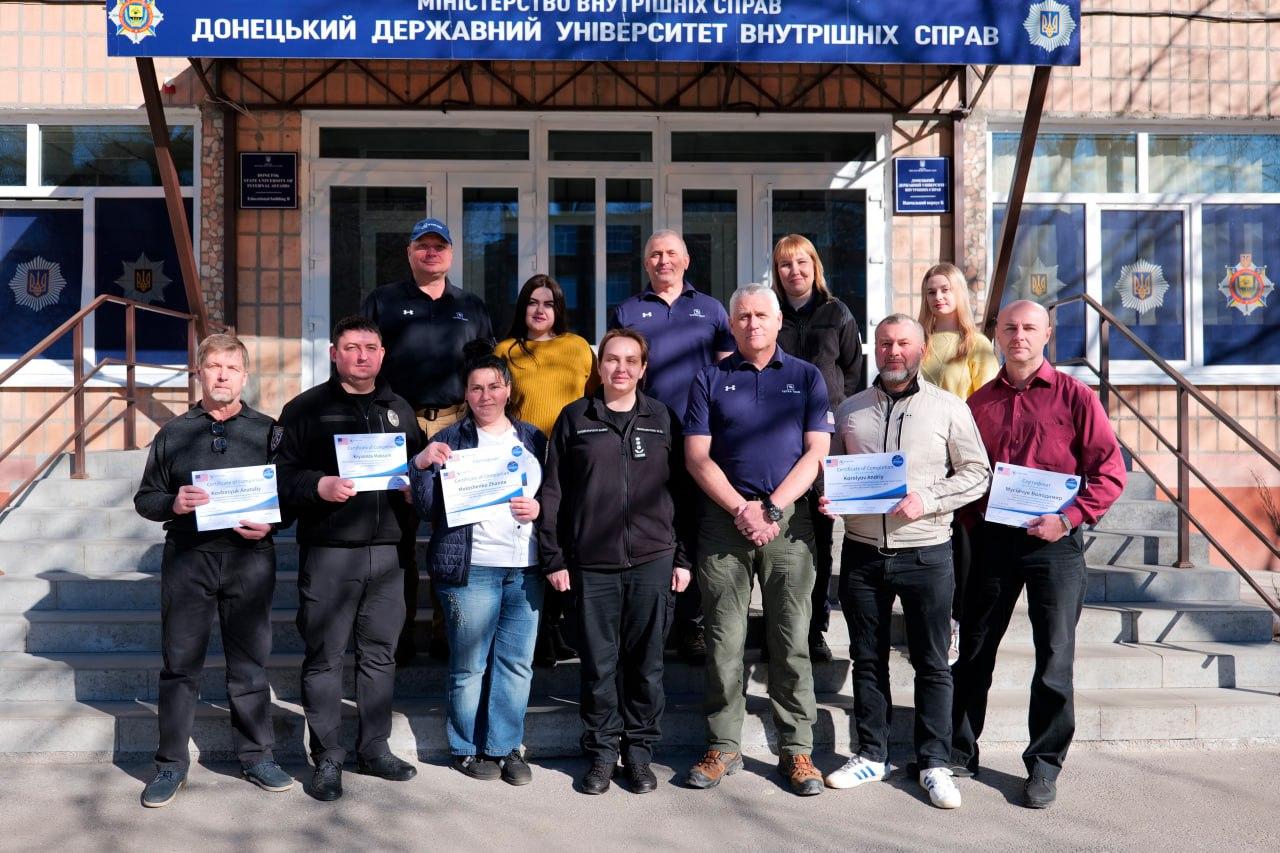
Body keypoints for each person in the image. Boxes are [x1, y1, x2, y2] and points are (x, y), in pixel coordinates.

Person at [950, 300, 1125, 809]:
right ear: (997, 336)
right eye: (1010, 328)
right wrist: (973, 520)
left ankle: (1044, 766)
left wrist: (1068, 519)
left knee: (1054, 657)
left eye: (1029, 327)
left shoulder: (1076, 397)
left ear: (1047, 334)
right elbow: (963, 473)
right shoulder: (978, 404)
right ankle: (959, 750)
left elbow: (1109, 472)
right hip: (993, 543)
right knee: (975, 650)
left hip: (1056, 544)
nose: (1019, 336)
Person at [819, 315, 990, 810]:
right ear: (874, 349)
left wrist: (929, 499)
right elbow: (831, 470)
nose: (894, 352)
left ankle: (934, 762)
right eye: (885, 343)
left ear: (920, 350)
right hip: (862, 552)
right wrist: (830, 497)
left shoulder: (949, 408)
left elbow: (978, 473)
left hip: (927, 551)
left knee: (933, 663)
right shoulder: (850, 410)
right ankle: (872, 754)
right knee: (867, 659)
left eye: (903, 344)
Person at [682, 283, 833, 797]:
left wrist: (770, 508)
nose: (752, 324)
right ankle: (723, 745)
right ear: (732, 324)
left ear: (777, 321)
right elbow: (697, 457)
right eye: (743, 316)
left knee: (790, 640)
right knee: (724, 641)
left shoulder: (806, 376)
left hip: (788, 523)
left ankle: (797, 750)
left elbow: (816, 453)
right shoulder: (709, 378)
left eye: (761, 315)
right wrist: (740, 509)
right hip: (723, 521)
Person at [133, 333, 293, 808]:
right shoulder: (173, 433)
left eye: (232, 368)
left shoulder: (269, 431)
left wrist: (273, 522)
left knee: (249, 665)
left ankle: (257, 756)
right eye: (214, 366)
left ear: (244, 376)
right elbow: (145, 498)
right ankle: (170, 764)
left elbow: (291, 495)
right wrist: (173, 503)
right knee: (180, 666)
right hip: (189, 559)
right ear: (199, 373)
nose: (223, 375)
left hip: (250, 560)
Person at [275, 315, 425, 802]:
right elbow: (279, 476)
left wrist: (415, 489)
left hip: (389, 554)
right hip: (330, 553)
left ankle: (374, 748)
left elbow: (418, 472)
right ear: (334, 354)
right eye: (352, 347)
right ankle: (328, 757)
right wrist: (317, 485)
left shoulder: (400, 409)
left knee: (380, 656)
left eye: (371, 347)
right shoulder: (305, 410)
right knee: (325, 659)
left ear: (383, 355)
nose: (363, 355)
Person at [539, 328, 692, 796]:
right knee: (598, 666)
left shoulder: (662, 418)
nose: (620, 368)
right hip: (592, 563)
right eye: (611, 359)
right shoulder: (574, 418)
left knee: (646, 666)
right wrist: (554, 556)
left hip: (653, 559)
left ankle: (640, 754)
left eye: (630, 360)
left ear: (643, 369)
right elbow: (553, 493)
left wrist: (683, 557)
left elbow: (683, 492)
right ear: (599, 366)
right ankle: (603, 753)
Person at [409, 346, 546, 786]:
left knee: (516, 664)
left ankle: (504, 747)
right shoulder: (449, 441)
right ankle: (466, 748)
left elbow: (555, 497)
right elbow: (427, 508)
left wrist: (540, 509)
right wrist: (421, 465)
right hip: (473, 568)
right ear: (466, 395)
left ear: (508, 389)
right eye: (476, 388)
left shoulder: (533, 440)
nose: (485, 395)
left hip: (525, 568)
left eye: (494, 386)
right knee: (469, 666)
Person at [361, 217, 494, 666]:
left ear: (451, 254)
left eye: (440, 246)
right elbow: (364, 361)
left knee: (453, 532)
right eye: (423, 245)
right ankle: (397, 637)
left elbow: (485, 371)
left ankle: (446, 634)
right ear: (410, 252)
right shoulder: (384, 301)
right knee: (396, 533)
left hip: (456, 425)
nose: (431, 252)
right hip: (397, 426)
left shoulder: (471, 306)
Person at [609, 229, 734, 663]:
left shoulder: (712, 309)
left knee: (696, 528)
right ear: (646, 263)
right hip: (645, 436)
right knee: (651, 524)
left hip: (700, 438)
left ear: (686, 261)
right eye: (655, 254)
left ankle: (694, 624)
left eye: (670, 254)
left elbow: (726, 375)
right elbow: (618, 372)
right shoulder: (628, 310)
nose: (663, 261)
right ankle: (648, 622)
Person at [495, 274, 597, 668]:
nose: (540, 310)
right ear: (522, 307)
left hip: (571, 455)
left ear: (559, 310)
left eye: (549, 303)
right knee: (534, 539)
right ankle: (535, 632)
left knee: (566, 536)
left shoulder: (577, 347)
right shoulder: (506, 350)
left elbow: (593, 398)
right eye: (533, 303)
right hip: (524, 458)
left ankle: (556, 625)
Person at [772, 233, 864, 663]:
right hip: (777, 440)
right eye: (786, 264)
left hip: (826, 443)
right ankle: (779, 627)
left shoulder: (837, 312)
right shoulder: (771, 314)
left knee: (821, 541)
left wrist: (840, 422)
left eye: (802, 262)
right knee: (780, 535)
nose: (795, 271)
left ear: (815, 266)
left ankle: (814, 629)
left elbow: (852, 374)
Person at [917, 262, 1000, 663]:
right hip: (922, 453)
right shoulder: (919, 340)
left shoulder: (976, 344)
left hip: (961, 453)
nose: (939, 297)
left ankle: (955, 622)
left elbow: (988, 402)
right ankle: (927, 620)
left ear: (959, 294)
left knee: (961, 545)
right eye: (932, 291)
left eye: (945, 290)